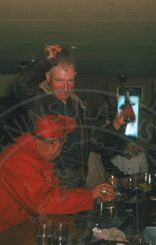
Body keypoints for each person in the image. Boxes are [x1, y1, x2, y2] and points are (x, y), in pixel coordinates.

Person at [0, 115, 115, 245]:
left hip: (11, 235)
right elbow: (44, 202)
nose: (62, 149)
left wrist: (90, 195)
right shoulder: (18, 159)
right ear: (54, 144)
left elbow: (58, 191)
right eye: (64, 145)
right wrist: (88, 196)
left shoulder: (37, 157)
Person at [14, 44, 128, 189]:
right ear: (48, 77)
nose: (65, 88)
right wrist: (45, 61)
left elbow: (96, 141)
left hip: (77, 179)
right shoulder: (38, 100)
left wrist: (116, 125)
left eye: (69, 81)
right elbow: (22, 84)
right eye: (59, 81)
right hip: (47, 177)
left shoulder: (78, 107)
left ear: (75, 76)